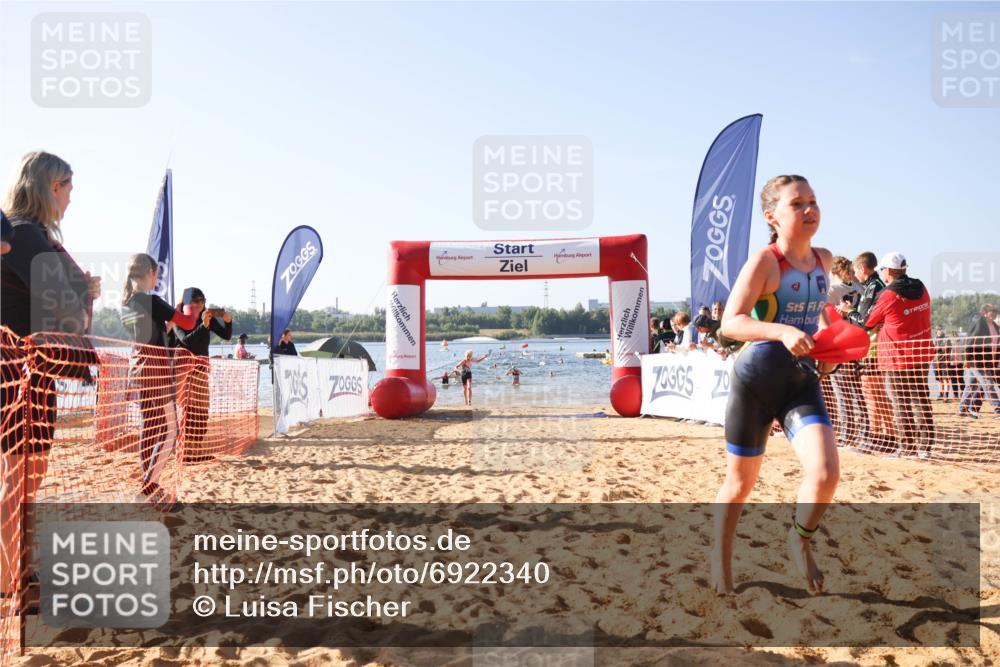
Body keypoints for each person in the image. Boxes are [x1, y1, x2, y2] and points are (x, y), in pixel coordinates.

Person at [712, 174, 836, 596]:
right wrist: (783, 331)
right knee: (740, 484)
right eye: (797, 203)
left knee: (824, 475)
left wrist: (833, 348)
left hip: (800, 382)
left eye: (813, 201)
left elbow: (820, 317)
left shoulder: (824, 260)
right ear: (772, 216)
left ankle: (799, 540)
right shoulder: (765, 262)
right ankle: (721, 561)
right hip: (755, 383)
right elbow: (731, 322)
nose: (808, 210)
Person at [1, 151, 99, 606]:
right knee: (18, 477)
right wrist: (80, 300)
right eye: (67, 186)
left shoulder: (31, 236)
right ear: (48, 186)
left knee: (30, 475)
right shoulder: (22, 235)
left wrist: (83, 294)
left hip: (33, 376)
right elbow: (60, 307)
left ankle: (22, 571)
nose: (71, 196)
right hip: (17, 375)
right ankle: (11, 579)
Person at [120, 254, 199, 502]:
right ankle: (149, 487)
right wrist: (191, 308)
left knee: (150, 428)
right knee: (170, 431)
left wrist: (171, 313)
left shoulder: (127, 303)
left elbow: (154, 332)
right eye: (156, 275)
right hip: (157, 371)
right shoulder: (152, 300)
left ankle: (148, 487)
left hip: (139, 368)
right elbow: (186, 323)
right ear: (151, 273)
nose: (157, 279)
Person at [863, 252, 935, 457]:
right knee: (922, 398)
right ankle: (926, 447)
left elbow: (868, 321)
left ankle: (908, 447)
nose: (882, 274)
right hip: (921, 353)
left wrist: (851, 311)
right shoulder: (921, 287)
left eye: (883, 271)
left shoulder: (889, 294)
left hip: (897, 356)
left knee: (901, 402)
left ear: (889, 271)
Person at [169, 287, 233, 465]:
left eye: (202, 300)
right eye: (196, 301)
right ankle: (183, 451)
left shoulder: (207, 318)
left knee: (202, 412)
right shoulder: (178, 319)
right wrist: (204, 326)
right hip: (183, 370)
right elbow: (187, 341)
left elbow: (226, 336)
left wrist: (228, 322)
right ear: (188, 303)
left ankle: (195, 450)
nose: (200, 304)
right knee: (188, 410)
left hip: (201, 369)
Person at [840, 252, 893, 449]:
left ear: (863, 269)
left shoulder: (873, 287)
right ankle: (885, 436)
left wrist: (848, 311)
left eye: (855, 271)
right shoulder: (873, 286)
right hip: (872, 346)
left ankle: (878, 436)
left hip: (872, 348)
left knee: (871, 393)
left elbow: (864, 323)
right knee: (877, 393)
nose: (854, 275)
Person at [959, 303, 1000, 417]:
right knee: (988, 383)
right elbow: (970, 340)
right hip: (977, 360)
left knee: (971, 384)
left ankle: (963, 408)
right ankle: (998, 408)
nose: (994, 313)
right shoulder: (979, 323)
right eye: (992, 311)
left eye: (995, 311)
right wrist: (966, 358)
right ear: (985, 313)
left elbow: (996, 345)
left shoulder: (996, 326)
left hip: (989, 361)